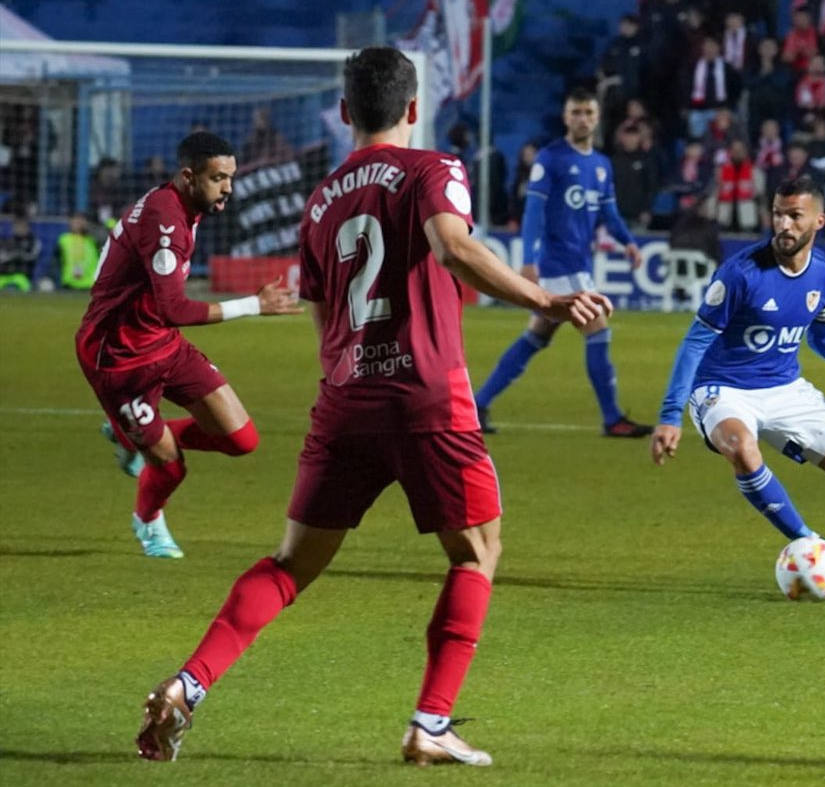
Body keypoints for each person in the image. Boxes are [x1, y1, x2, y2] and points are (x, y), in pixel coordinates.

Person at [134, 46, 611, 767]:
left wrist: (351, 377)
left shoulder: (322, 197)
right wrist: (546, 297)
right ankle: (430, 723)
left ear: (347, 112)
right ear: (415, 109)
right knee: (477, 551)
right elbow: (453, 248)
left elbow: (323, 314)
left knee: (290, 565)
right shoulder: (434, 169)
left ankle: (187, 685)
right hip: (428, 397)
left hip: (346, 398)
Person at [650, 176, 825, 596]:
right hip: (723, 388)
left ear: (818, 220)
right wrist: (671, 416)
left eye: (794, 216)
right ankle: (814, 543)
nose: (783, 224)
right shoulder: (740, 273)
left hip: (785, 387)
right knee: (743, 449)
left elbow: (823, 338)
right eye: (778, 214)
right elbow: (695, 342)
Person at [74, 131, 302, 559]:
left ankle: (134, 438)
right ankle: (148, 522)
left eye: (230, 177)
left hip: (162, 344)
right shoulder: (166, 223)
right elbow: (175, 308)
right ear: (187, 176)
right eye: (219, 178)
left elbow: (165, 318)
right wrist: (255, 304)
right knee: (170, 466)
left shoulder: (183, 204)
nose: (228, 188)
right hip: (119, 359)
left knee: (242, 439)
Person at [473, 88, 652, 438]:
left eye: (588, 112)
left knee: (536, 336)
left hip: (577, 264)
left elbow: (608, 212)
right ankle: (613, 418)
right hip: (558, 265)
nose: (582, 118)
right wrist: (528, 261)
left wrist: (628, 242)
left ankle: (477, 405)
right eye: (576, 112)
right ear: (565, 117)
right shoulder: (550, 158)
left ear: (597, 117)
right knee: (597, 329)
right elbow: (533, 213)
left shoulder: (601, 165)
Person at [56, 212, 100, 290]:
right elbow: (56, 262)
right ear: (70, 222)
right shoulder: (63, 239)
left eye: (81, 220)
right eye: (75, 221)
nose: (78, 223)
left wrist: (89, 229)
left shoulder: (93, 240)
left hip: (90, 284)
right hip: (69, 284)